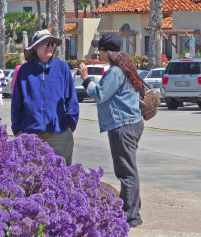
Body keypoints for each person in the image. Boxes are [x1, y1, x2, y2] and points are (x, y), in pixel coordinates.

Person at [78, 33, 144, 228]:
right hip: (132, 123)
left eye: (100, 49)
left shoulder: (115, 72)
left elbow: (100, 95)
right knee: (128, 170)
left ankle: (130, 216)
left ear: (107, 52)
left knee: (126, 173)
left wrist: (86, 78)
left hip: (122, 126)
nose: (98, 52)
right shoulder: (125, 68)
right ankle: (131, 212)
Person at [11, 29, 79, 166]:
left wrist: (70, 125)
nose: (50, 47)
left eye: (52, 44)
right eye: (46, 43)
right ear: (36, 47)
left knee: (61, 177)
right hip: (30, 134)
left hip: (59, 134)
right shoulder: (25, 71)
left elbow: (71, 99)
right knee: (31, 178)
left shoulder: (62, 68)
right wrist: (18, 130)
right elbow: (17, 102)